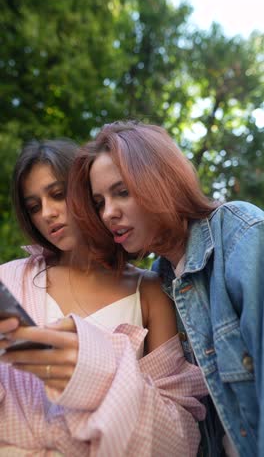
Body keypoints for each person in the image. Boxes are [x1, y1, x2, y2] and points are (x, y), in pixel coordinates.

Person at [69, 120, 264, 457]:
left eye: (122, 192)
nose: (108, 214)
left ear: (159, 180)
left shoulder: (240, 236)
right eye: (99, 202)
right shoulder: (159, 283)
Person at [0, 139, 207, 456]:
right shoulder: (10, 280)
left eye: (58, 195)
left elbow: (179, 433)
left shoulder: (150, 292)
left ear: (88, 192)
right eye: (34, 207)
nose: (47, 213)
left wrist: (98, 370)